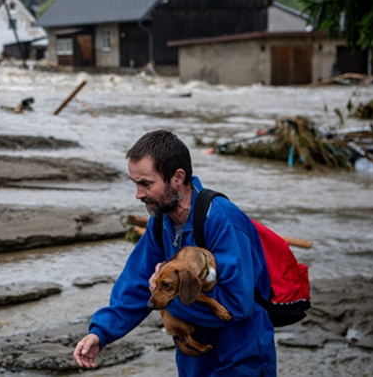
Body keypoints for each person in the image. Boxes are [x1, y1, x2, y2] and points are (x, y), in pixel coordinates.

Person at [72, 130, 276, 376]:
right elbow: (137, 282)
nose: (138, 194)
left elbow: (236, 304)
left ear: (178, 177)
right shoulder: (161, 222)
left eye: (146, 183)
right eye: (135, 183)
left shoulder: (222, 220)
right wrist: (100, 332)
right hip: (194, 359)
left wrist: (168, 297)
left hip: (240, 357)